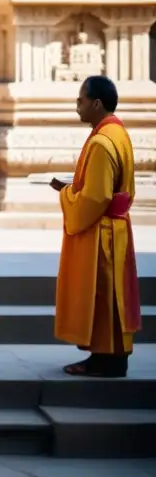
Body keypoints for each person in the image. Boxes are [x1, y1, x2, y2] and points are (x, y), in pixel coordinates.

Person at [51, 76, 141, 378]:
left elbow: (96, 197)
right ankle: (112, 356)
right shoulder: (118, 132)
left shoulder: (102, 142)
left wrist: (66, 195)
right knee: (113, 294)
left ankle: (105, 359)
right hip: (117, 227)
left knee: (103, 294)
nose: (77, 106)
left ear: (96, 103)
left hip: (103, 233)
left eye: (80, 100)